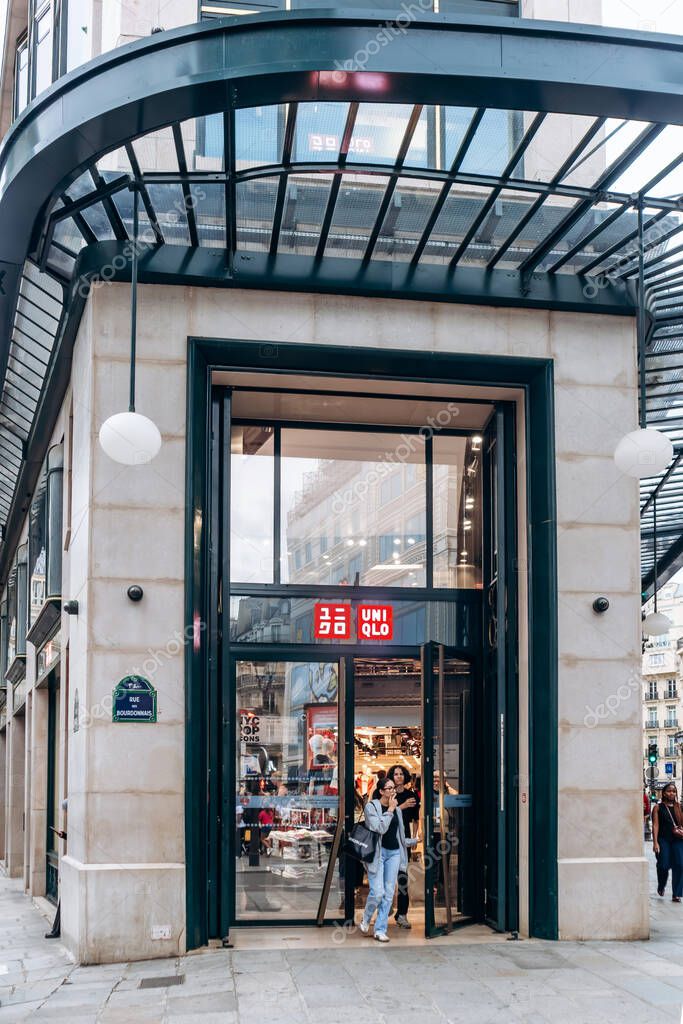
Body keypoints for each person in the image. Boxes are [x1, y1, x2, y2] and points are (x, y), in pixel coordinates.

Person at [359, 776, 408, 943]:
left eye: (393, 788)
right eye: (389, 788)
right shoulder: (371, 807)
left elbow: (399, 834)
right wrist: (390, 810)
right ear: (381, 791)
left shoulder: (398, 811)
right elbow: (379, 828)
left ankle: (380, 929)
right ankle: (366, 918)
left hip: (394, 854)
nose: (392, 791)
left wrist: (412, 841)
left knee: (388, 894)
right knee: (377, 892)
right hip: (377, 854)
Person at [377, 765, 420, 929]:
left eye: (402, 774)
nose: (399, 776)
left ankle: (402, 914)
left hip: (403, 838)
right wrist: (401, 807)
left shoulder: (411, 794)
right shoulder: (386, 794)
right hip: (387, 836)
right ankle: (385, 907)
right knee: (383, 877)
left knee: (402, 878)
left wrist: (415, 837)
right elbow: (382, 816)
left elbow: (416, 817)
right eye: (395, 774)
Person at [652, 782, 683, 901]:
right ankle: (661, 885)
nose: (672, 793)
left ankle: (676, 893)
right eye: (669, 791)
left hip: (678, 840)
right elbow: (655, 825)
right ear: (664, 793)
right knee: (663, 865)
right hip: (663, 839)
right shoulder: (658, 808)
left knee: (680, 865)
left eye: (674, 791)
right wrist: (655, 842)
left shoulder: (679, 807)